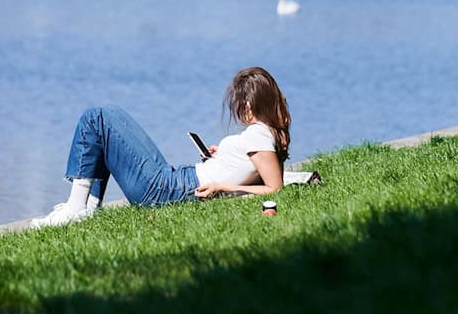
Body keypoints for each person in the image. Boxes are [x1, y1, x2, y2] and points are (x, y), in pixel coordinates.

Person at [31, 66, 292, 228]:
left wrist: (222, 187)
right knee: (105, 124)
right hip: (175, 182)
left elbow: (274, 189)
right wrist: (220, 158)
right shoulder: (263, 135)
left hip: (170, 190)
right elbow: (253, 170)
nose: (240, 110)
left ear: (253, 103)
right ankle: (86, 208)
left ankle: (76, 207)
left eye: (242, 103)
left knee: (98, 117)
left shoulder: (259, 134)